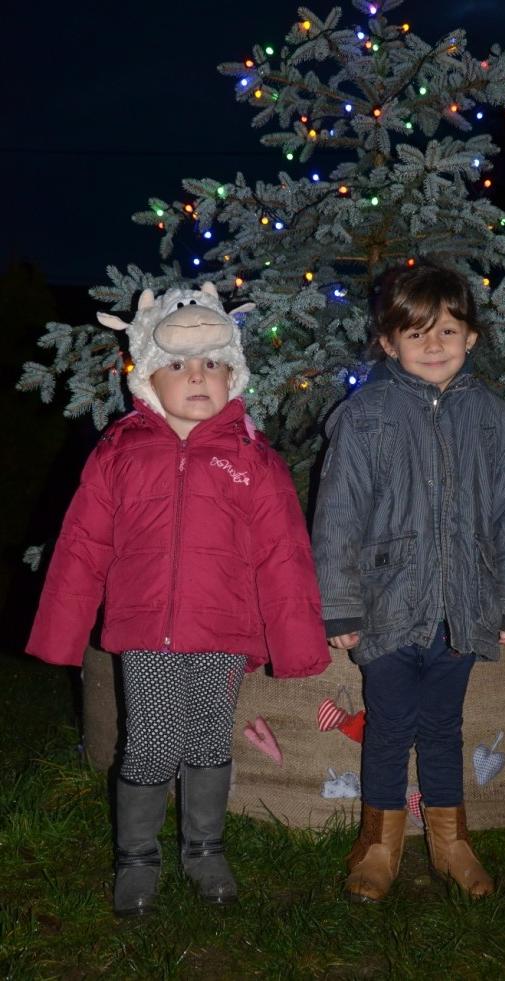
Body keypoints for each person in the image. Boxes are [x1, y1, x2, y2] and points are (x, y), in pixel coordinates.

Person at [27, 283, 330, 917]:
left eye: (212, 363)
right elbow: (83, 543)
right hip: (146, 628)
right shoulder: (120, 453)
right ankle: (137, 857)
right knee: (152, 741)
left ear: (233, 375)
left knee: (209, 739)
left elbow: (284, 554)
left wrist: (297, 641)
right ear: (147, 378)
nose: (197, 376)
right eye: (179, 365)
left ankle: (204, 849)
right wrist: (61, 630)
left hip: (224, 628)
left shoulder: (253, 458)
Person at [312, 262, 505, 902]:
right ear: (389, 344)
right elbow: (337, 517)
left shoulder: (498, 422)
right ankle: (378, 847)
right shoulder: (364, 417)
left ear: (471, 337)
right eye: (417, 333)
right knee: (389, 726)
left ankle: (451, 843)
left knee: (443, 726)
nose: (434, 344)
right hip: (385, 606)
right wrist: (339, 607)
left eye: (447, 330)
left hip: (463, 607)